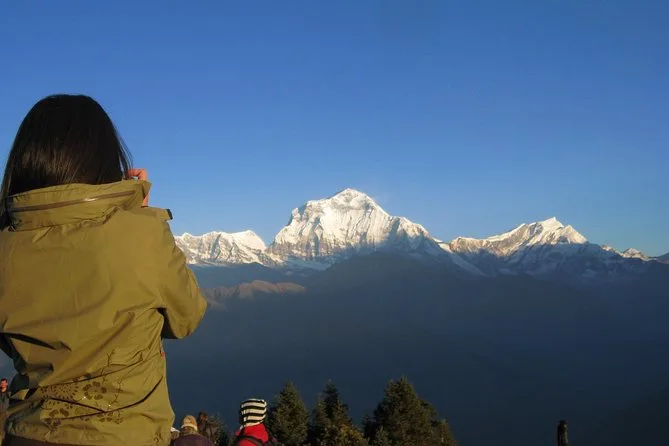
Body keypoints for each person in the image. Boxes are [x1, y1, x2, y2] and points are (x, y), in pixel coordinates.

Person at [0, 95, 207, 445]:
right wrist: (138, 210)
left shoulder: (5, 246)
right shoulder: (140, 235)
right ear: (105, 161)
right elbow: (186, 317)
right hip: (124, 435)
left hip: (27, 433)